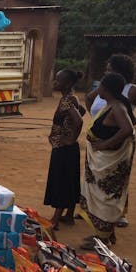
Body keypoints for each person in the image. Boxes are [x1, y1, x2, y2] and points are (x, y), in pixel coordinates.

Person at [85, 54, 136, 227]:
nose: (105, 72)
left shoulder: (130, 91)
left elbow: (126, 127)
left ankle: (115, 214)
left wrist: (134, 120)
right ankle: (95, 210)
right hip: (98, 143)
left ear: (119, 72)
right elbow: (89, 98)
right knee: (96, 179)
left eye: (109, 69)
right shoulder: (106, 87)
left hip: (116, 144)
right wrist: (97, 119)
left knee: (114, 179)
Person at [79, 72, 135, 249]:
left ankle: (102, 240)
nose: (98, 89)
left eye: (100, 86)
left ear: (107, 89)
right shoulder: (111, 104)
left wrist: (105, 145)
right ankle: (102, 235)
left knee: (105, 198)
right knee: (101, 197)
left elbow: (127, 129)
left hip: (108, 163)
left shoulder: (117, 107)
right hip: (100, 162)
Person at [44, 70, 84, 230]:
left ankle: (55, 218)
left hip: (64, 147)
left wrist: (70, 138)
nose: (55, 82)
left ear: (67, 84)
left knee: (61, 181)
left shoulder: (67, 100)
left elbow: (79, 120)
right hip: (67, 148)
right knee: (69, 180)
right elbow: (82, 111)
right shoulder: (71, 97)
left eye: (58, 80)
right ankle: (69, 215)